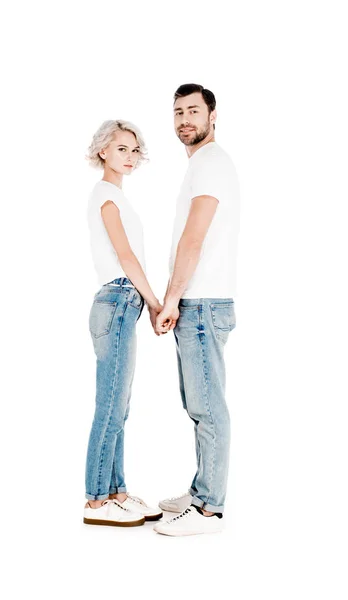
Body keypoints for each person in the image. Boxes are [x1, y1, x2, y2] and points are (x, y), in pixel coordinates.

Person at [153, 84, 240, 536]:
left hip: (201, 302)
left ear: (213, 114)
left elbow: (194, 238)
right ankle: (201, 489)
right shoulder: (204, 164)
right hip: (200, 300)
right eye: (177, 112)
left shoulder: (210, 163)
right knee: (198, 404)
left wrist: (171, 299)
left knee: (208, 406)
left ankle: (209, 508)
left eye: (193, 110)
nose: (185, 119)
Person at [83, 119, 164, 527]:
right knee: (110, 406)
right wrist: (155, 302)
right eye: (121, 149)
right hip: (118, 297)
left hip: (121, 301)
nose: (130, 157)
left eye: (134, 150)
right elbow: (127, 258)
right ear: (103, 151)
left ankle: (116, 491)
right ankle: (96, 500)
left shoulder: (116, 196)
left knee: (120, 406)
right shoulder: (106, 197)